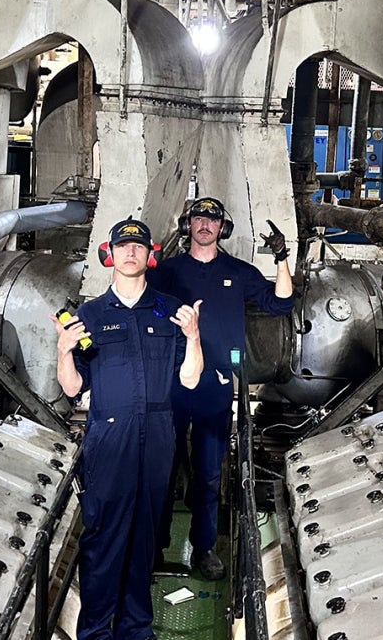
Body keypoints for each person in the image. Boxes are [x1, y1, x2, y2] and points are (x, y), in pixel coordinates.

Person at [53, 217, 203, 640]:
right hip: (110, 438)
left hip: (158, 435)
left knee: (145, 536)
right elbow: (72, 387)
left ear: (150, 254)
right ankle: (96, 631)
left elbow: (190, 379)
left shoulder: (171, 310)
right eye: (123, 246)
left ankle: (136, 628)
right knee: (102, 538)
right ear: (109, 255)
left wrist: (192, 337)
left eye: (138, 246)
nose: (131, 252)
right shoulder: (89, 315)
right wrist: (64, 350)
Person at [147, 197, 294, 580]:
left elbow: (281, 304)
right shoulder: (167, 272)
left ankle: (204, 549)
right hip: (173, 382)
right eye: (199, 218)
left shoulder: (239, 272)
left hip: (216, 385)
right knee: (163, 466)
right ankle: (155, 544)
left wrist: (281, 257)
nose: (205, 225)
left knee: (210, 472)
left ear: (222, 228)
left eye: (213, 219)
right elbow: (145, 306)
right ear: (188, 225)